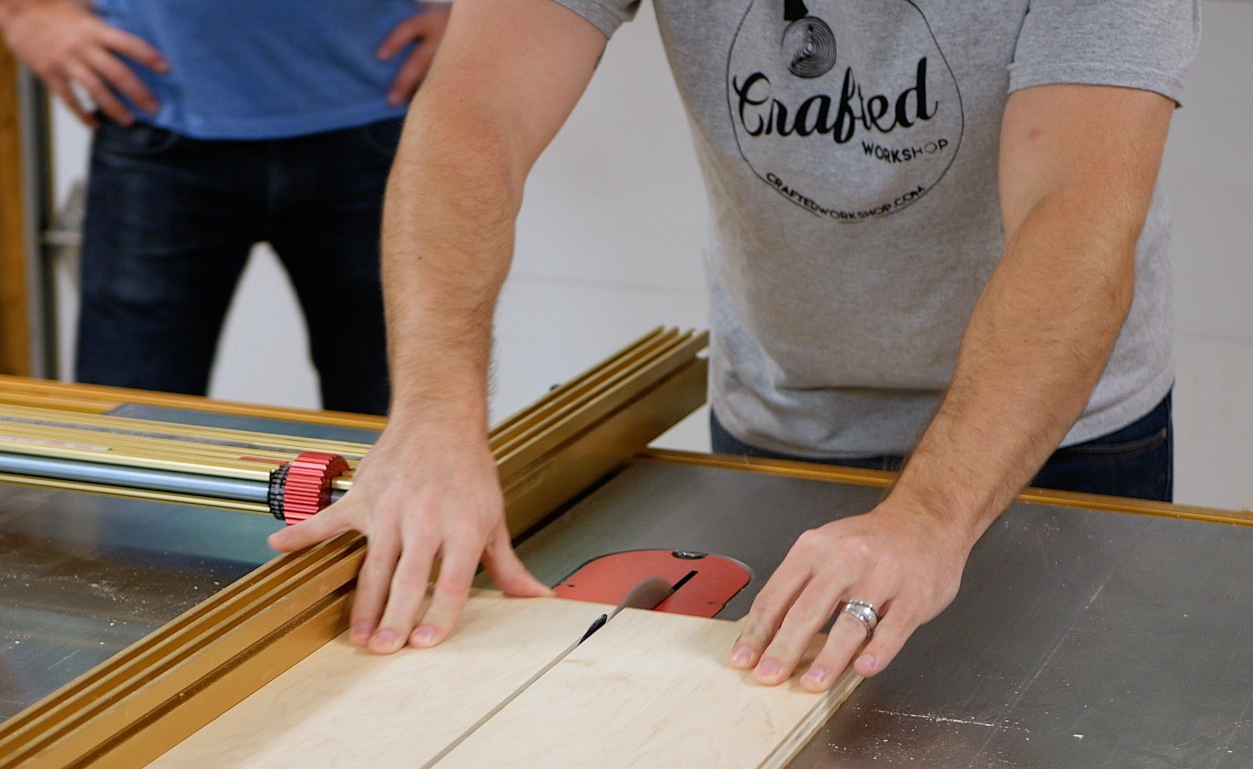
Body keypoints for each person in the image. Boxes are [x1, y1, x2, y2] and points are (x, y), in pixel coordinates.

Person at [272, 0, 1198, 686]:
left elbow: (1073, 220)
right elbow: (475, 109)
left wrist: (930, 518)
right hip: (784, 409)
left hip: (1056, 441)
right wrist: (435, 417)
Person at [0, 0, 453, 414]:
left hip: (378, 119)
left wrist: (477, 24)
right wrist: (23, 10)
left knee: (403, 431)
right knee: (128, 442)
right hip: (156, 122)